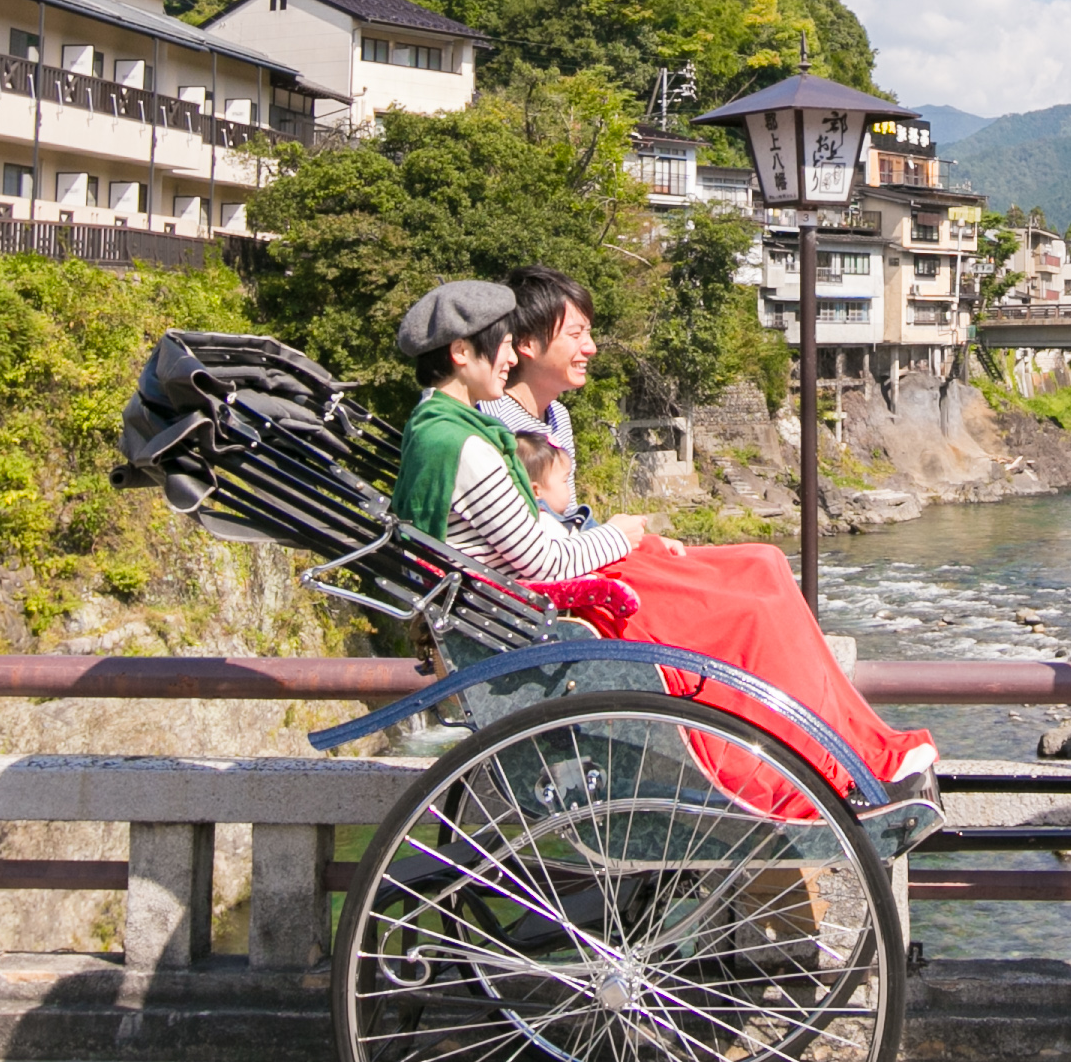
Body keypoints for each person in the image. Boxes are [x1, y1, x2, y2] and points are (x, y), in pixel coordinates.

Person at [389, 278, 936, 797]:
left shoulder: (450, 430)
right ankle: (829, 766)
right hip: (555, 602)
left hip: (548, 588)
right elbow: (541, 562)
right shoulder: (466, 444)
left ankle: (861, 750)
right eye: (502, 346)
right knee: (753, 613)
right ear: (462, 353)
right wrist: (621, 537)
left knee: (764, 563)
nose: (508, 360)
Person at [490, 265, 594, 522]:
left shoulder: (557, 415)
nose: (590, 347)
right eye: (575, 334)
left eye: (588, 333)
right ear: (526, 343)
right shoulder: (493, 419)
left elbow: (569, 515)